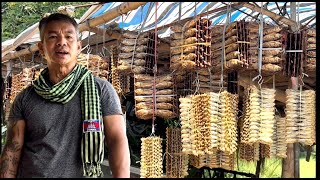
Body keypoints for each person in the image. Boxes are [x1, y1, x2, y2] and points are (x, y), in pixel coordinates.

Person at [0, 13, 130, 178]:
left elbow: (116, 141)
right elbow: (12, 149)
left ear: (78, 47)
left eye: (69, 37)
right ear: (41, 48)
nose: (62, 42)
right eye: (53, 37)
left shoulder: (101, 91)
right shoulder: (25, 98)